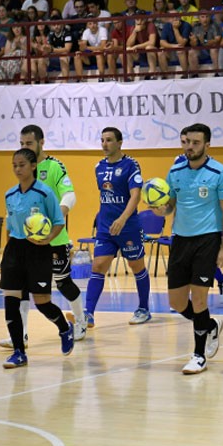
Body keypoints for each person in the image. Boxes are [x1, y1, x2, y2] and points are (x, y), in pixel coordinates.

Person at [152, 123, 223, 374]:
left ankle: (198, 356)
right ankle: (209, 325)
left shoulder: (220, 173)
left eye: (195, 143)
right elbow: (170, 206)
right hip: (180, 240)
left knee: (198, 298)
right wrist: (160, 209)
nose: (189, 147)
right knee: (176, 302)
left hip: (207, 240)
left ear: (207, 144)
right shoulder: (175, 171)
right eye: (186, 142)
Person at [0, 125, 86, 350]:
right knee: (19, 292)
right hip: (22, 245)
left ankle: (80, 323)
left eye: (29, 143)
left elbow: (70, 194)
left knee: (63, 284)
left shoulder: (54, 167)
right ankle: (21, 337)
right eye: (21, 144)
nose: (25, 147)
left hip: (52, 240)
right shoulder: (13, 186)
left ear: (41, 142)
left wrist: (52, 221)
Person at [1, 148, 74, 368]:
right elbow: (10, 225)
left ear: (33, 166)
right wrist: (8, 252)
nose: (17, 169)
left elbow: (59, 220)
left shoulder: (45, 193)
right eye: (14, 165)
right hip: (15, 249)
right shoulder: (9, 194)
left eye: (22, 164)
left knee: (42, 302)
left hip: (38, 251)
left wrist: (48, 239)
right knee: (11, 301)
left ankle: (64, 328)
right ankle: (19, 352)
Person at [83, 128, 152, 326]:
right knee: (98, 266)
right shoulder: (99, 167)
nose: (105, 144)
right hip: (105, 227)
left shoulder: (131, 165)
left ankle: (143, 309)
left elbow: (136, 195)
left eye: (109, 140)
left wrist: (122, 219)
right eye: (102, 140)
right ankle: (88, 314)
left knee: (136, 266)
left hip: (128, 226)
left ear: (120, 143)